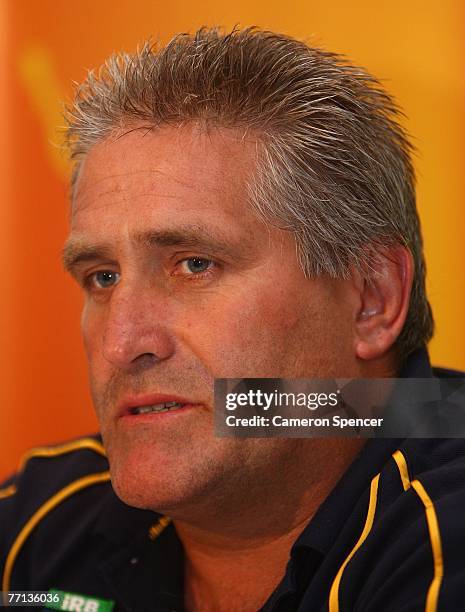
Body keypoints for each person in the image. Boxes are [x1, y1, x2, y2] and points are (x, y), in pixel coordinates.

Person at [1, 27, 464, 612]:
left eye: (194, 265)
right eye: (103, 277)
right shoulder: (43, 517)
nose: (122, 342)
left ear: (372, 299)